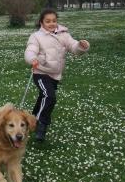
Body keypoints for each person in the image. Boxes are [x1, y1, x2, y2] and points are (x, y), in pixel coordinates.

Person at [24, 9, 90, 141]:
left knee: (44, 96)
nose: (51, 23)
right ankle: (41, 123)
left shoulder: (63, 35)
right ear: (41, 22)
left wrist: (81, 46)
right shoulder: (36, 36)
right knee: (49, 96)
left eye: (54, 21)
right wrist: (32, 59)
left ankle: (33, 117)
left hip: (55, 74)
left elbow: (73, 47)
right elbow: (30, 50)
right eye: (48, 21)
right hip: (40, 72)